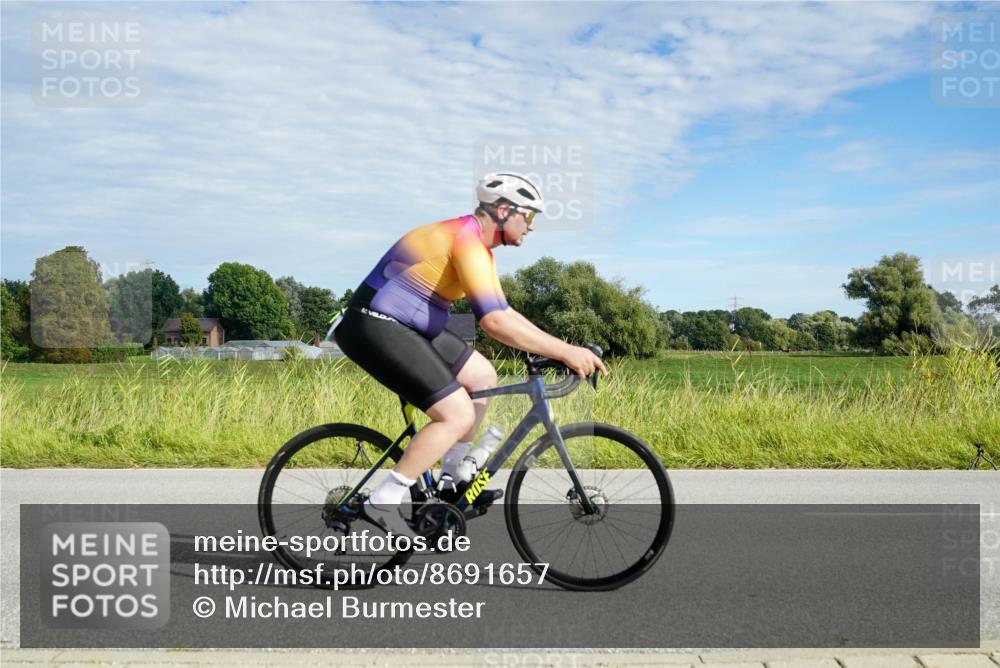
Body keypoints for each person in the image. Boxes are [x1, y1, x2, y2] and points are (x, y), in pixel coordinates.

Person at [334, 172, 607, 537]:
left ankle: (450, 479)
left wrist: (563, 349)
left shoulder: (481, 251)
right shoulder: (466, 241)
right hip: (374, 324)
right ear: (504, 210)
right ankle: (383, 500)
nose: (531, 226)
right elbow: (494, 322)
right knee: (456, 413)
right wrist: (566, 351)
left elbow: (506, 313)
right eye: (529, 216)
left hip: (412, 326)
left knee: (482, 375)